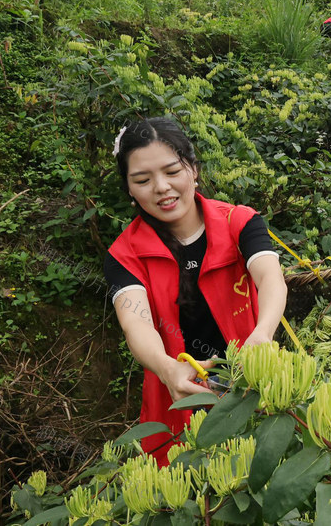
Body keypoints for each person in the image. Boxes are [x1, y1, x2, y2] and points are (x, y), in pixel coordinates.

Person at [104, 117, 287, 465]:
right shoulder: (123, 255)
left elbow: (270, 277)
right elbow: (135, 322)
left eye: (172, 171)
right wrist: (164, 366)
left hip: (253, 383)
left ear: (194, 168)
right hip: (178, 393)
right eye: (142, 180)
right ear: (129, 189)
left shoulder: (239, 222)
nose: (161, 187)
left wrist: (263, 333)